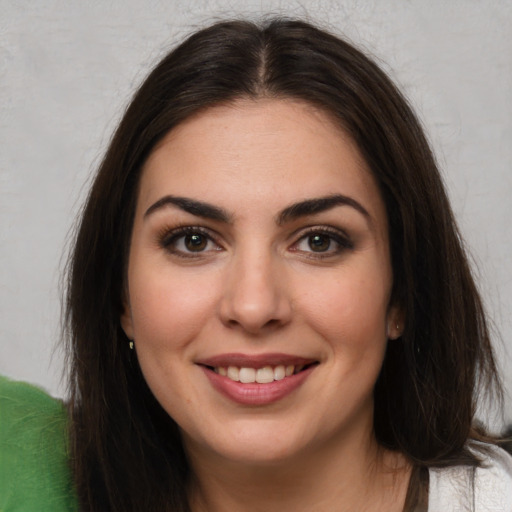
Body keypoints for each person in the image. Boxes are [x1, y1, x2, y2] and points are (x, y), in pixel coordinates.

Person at [1, 17, 511, 512]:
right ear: (121, 295)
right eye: (194, 240)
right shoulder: (26, 468)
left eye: (319, 242)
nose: (253, 305)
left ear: (402, 291)